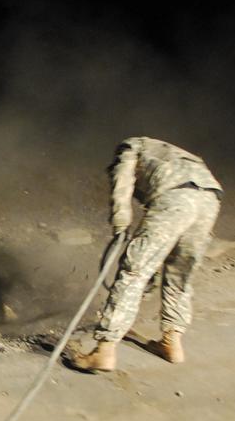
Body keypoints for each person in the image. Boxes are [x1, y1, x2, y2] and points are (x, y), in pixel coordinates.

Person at [69, 137, 222, 373]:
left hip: (177, 198)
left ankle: (104, 351)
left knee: (134, 271)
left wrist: (120, 223)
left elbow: (123, 185)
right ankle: (172, 343)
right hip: (209, 200)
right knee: (179, 275)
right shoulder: (176, 155)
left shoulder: (131, 147)